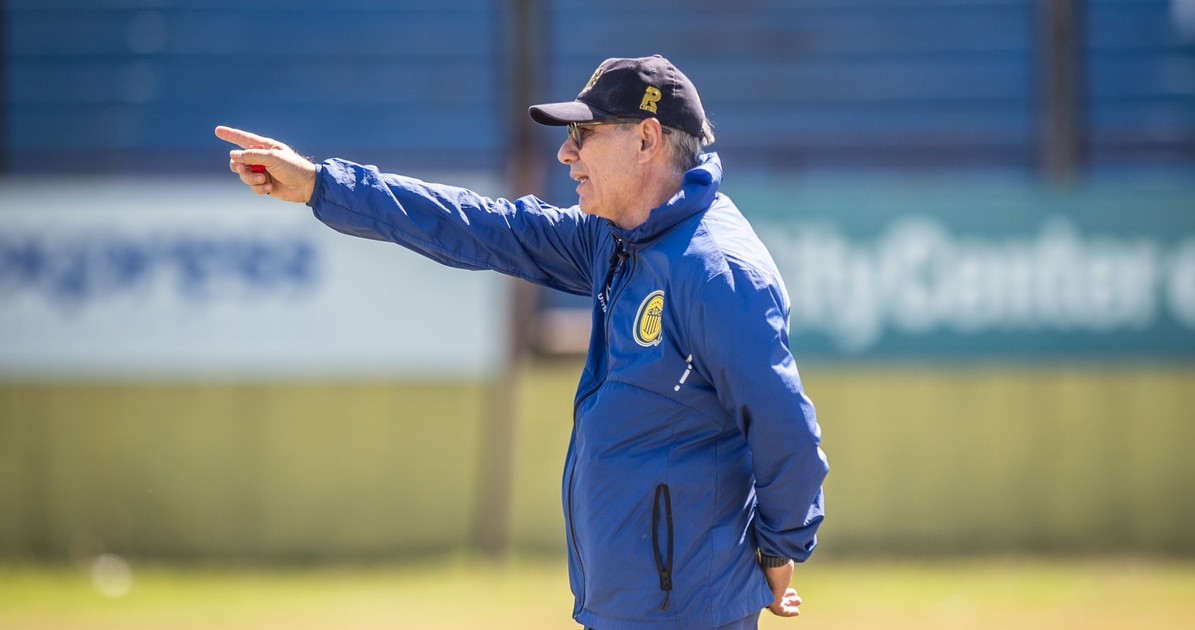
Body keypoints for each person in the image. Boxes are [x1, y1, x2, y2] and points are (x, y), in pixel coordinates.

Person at [217, 54, 827, 630]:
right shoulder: (617, 237)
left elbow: (788, 433)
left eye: (585, 134)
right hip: (631, 603)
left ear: (647, 139)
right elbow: (479, 225)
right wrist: (322, 185)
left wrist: (779, 550)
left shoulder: (716, 271)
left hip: (685, 610)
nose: (566, 153)